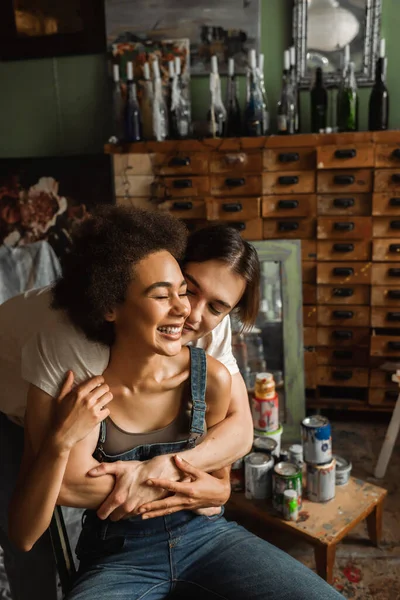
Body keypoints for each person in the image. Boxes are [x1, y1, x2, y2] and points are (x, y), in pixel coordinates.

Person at [10, 206, 344, 599]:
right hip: (115, 550)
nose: (189, 312)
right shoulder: (76, 364)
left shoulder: (208, 362)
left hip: (206, 536)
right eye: (184, 289)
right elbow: (57, 492)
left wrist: (190, 483)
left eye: (215, 307)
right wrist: (61, 442)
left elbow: (232, 449)